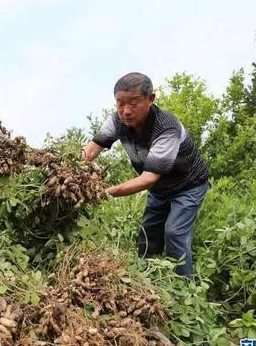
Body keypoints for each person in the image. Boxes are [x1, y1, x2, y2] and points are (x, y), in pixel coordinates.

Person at [82, 72, 209, 276]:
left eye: (133, 103)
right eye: (120, 103)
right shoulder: (116, 121)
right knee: (147, 236)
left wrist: (103, 192)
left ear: (151, 99)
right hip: (159, 190)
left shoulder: (167, 127)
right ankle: (148, 281)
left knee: (174, 233)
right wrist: (70, 168)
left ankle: (186, 289)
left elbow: (148, 178)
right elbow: (93, 148)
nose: (126, 111)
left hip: (188, 185)